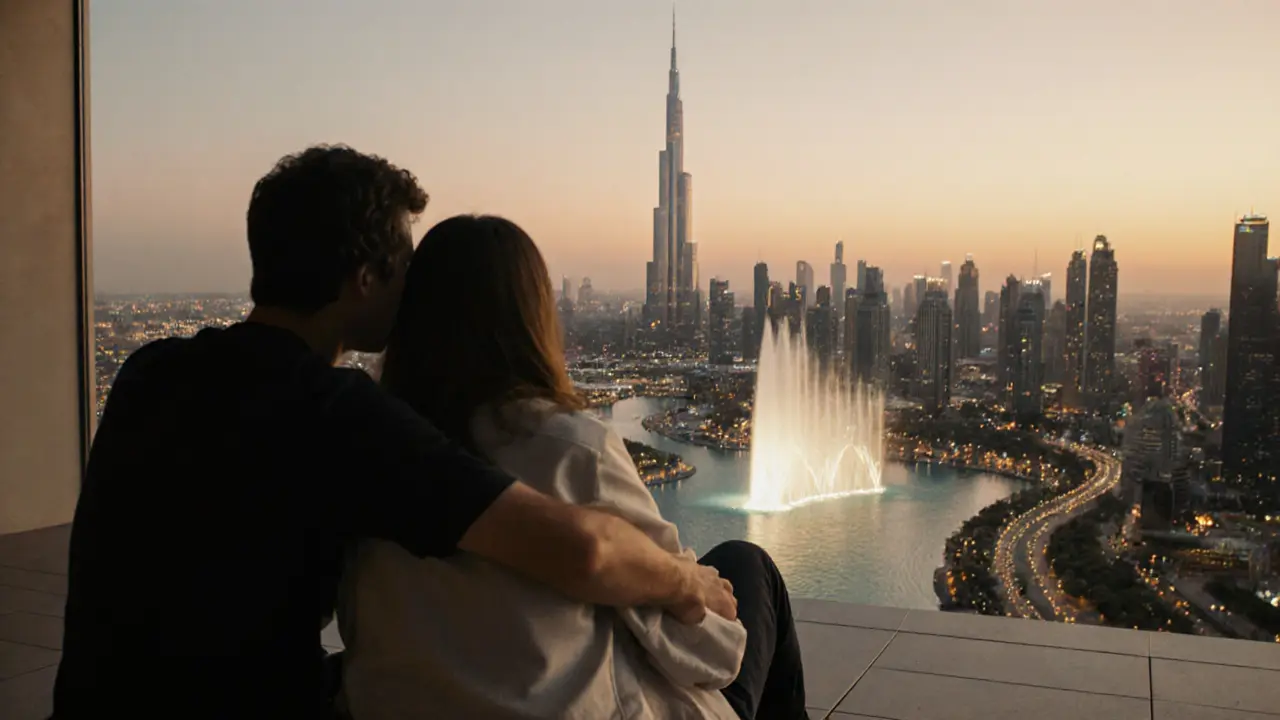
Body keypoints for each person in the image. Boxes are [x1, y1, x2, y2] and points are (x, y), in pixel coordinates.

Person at [51, 146, 736, 719]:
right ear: (365, 278)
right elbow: (584, 551)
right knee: (746, 575)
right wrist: (685, 581)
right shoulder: (334, 413)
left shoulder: (152, 372)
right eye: (405, 269)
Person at [339, 215, 806, 719]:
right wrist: (694, 587)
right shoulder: (572, 449)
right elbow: (708, 656)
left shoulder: (364, 452)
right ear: (534, 318)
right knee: (748, 565)